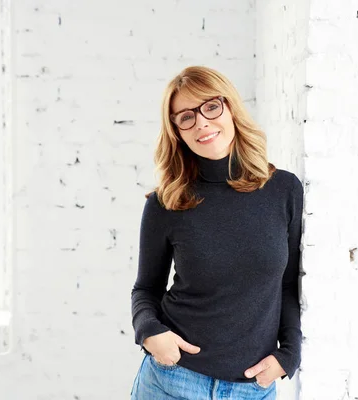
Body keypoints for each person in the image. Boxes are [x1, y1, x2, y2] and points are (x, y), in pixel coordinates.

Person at [130, 65, 304, 400]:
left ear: (230, 107)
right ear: (177, 131)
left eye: (211, 106)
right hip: (173, 381)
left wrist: (289, 354)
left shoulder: (283, 190)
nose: (202, 123)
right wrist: (150, 333)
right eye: (186, 117)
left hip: (253, 389)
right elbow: (146, 289)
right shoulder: (167, 202)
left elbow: (287, 285)